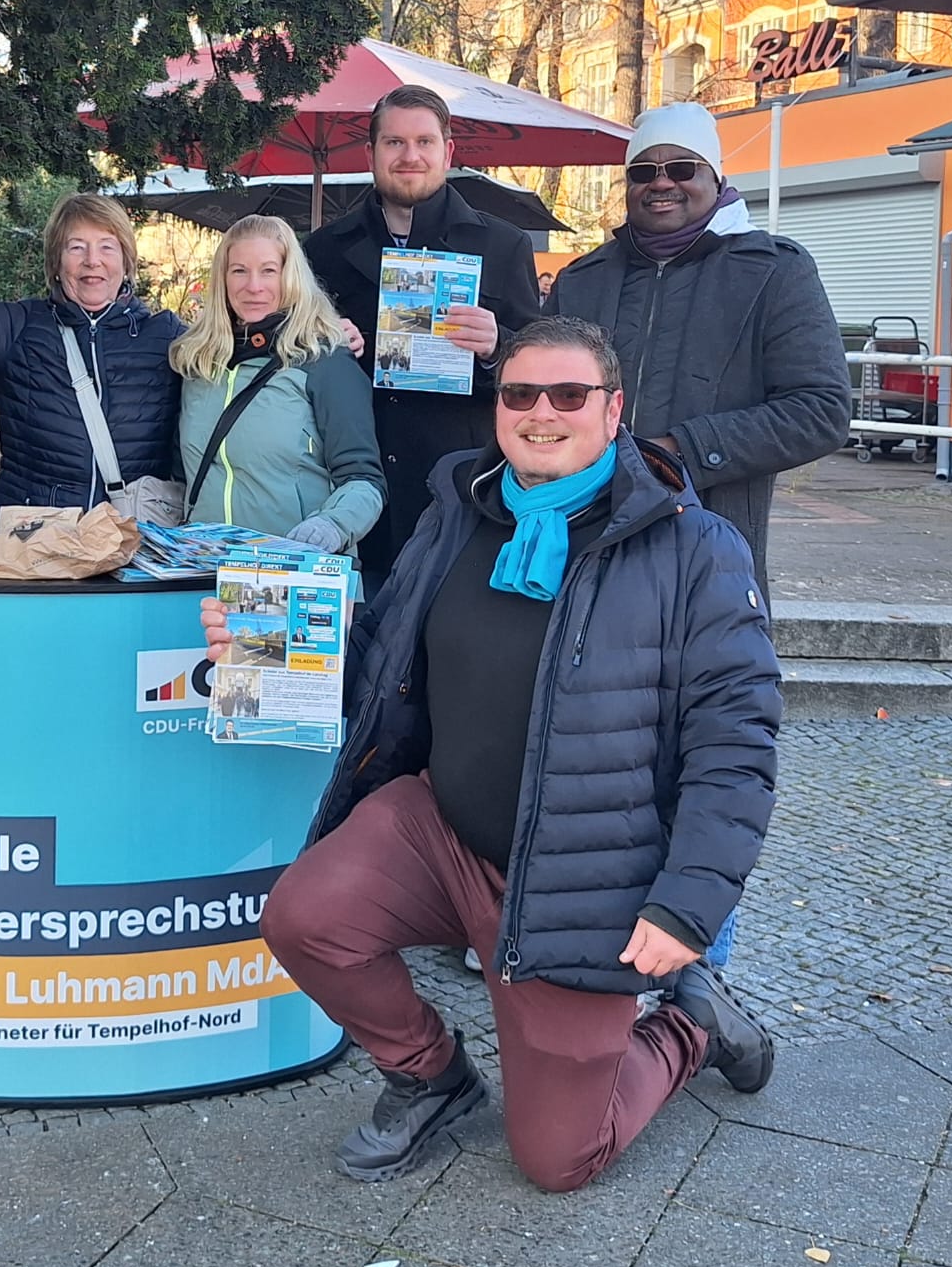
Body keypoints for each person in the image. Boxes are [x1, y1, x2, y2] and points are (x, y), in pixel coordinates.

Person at [204, 317, 781, 1190]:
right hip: (442, 828)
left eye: (568, 395)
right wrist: (257, 649)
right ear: (496, 406)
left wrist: (688, 907)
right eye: (519, 393)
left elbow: (734, 747)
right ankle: (429, 1077)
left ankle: (688, 1024)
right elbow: (380, 665)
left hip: (584, 881)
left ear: (613, 409)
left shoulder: (694, 550)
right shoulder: (455, 516)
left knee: (559, 1159)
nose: (541, 412)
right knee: (303, 917)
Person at [547, 100, 852, 597]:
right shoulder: (582, 280)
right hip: (581, 538)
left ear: (715, 177)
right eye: (643, 171)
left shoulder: (775, 271)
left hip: (712, 544)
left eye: (682, 168)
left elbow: (821, 411)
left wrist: (681, 450)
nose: (661, 182)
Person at [304, 84, 542, 584]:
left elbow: (539, 371)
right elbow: (292, 363)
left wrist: (499, 345)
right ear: (370, 153)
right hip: (352, 485)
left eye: (424, 142)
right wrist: (324, 345)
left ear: (447, 151)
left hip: (460, 485)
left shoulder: (503, 245)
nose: (410, 156)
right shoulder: (322, 251)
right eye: (394, 143)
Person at [0, 193, 183, 525]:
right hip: (32, 545)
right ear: (56, 262)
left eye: (107, 246)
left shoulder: (166, 337)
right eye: (76, 247)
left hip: (131, 545)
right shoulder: (17, 326)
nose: (92, 260)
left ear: (126, 261)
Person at [174, 217, 384, 552]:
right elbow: (182, 475)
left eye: (268, 270)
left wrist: (332, 525)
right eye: (239, 270)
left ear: (290, 277)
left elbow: (365, 480)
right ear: (223, 279)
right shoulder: (199, 364)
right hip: (206, 573)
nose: (253, 286)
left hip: (295, 573)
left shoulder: (324, 360)